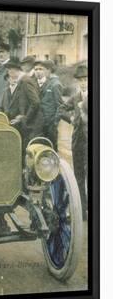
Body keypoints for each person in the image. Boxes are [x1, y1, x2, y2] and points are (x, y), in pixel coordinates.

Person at [60, 65, 88, 219]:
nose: (83, 83)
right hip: (78, 141)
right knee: (78, 176)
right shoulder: (75, 97)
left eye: (85, 80)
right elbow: (61, 109)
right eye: (81, 80)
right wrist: (70, 119)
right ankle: (82, 211)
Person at [2, 58, 43, 152]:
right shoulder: (19, 81)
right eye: (8, 70)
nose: (9, 72)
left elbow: (35, 102)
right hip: (22, 124)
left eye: (11, 69)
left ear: (17, 69)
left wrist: (25, 118)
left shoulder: (25, 81)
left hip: (30, 125)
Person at [34, 60, 63, 150]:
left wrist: (55, 123)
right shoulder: (38, 83)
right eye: (37, 69)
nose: (39, 72)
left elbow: (60, 105)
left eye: (42, 69)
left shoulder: (55, 84)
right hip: (40, 123)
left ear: (48, 70)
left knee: (51, 149)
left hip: (50, 124)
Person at [0, 42, 11, 114]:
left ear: (8, 53)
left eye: (2, 52)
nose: (0, 54)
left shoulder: (11, 67)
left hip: (6, 107)